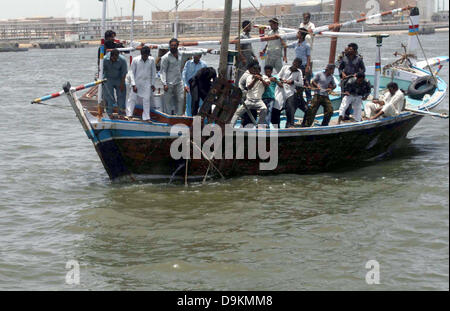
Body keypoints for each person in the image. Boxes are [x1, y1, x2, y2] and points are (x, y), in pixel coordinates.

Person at [160, 38, 210, 115]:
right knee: (168, 101)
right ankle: (168, 117)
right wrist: (164, 83)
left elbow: (192, 52)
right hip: (168, 83)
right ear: (169, 46)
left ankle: (179, 116)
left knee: (181, 99)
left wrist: (205, 51)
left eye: (175, 45)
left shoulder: (181, 54)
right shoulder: (165, 57)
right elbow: (162, 71)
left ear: (177, 46)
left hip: (179, 82)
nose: (173, 47)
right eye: (171, 45)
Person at [230, 63, 269, 128]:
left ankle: (260, 125)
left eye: (256, 71)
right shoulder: (249, 77)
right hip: (249, 100)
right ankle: (231, 126)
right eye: (254, 70)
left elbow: (267, 85)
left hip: (258, 101)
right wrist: (255, 80)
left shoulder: (265, 77)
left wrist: (261, 79)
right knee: (237, 113)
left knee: (264, 109)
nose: (255, 72)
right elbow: (249, 87)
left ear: (259, 71)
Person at [127, 46, 157, 121]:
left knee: (146, 100)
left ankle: (146, 117)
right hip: (137, 82)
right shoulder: (135, 59)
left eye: (147, 55)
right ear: (141, 54)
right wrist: (133, 85)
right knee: (132, 99)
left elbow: (153, 73)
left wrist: (153, 84)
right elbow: (132, 73)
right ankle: (129, 115)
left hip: (147, 83)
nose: (145, 57)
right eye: (144, 55)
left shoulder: (152, 60)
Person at [275, 58, 306, 128]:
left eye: (298, 65)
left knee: (290, 107)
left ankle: (290, 124)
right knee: (276, 108)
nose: (296, 65)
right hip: (280, 90)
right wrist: (281, 80)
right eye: (295, 63)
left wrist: (292, 82)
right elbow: (278, 76)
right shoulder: (285, 67)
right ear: (293, 62)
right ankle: (277, 126)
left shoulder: (299, 72)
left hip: (290, 91)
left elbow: (301, 83)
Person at [338, 43, 366, 120]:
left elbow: (363, 69)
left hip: (354, 81)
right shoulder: (344, 58)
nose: (349, 50)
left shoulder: (359, 59)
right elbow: (340, 68)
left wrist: (357, 74)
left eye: (350, 49)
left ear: (355, 51)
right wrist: (342, 73)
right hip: (345, 80)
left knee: (354, 96)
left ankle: (355, 115)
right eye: (348, 49)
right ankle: (345, 115)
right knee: (345, 97)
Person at [288, 28, 312, 104]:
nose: (297, 34)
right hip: (297, 66)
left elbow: (308, 56)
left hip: (303, 65)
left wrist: (307, 67)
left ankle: (309, 98)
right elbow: (286, 46)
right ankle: (299, 97)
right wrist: (280, 39)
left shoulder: (307, 45)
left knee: (306, 81)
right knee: (298, 82)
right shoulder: (295, 43)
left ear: (301, 36)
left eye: (298, 33)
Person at [103, 49, 128, 116]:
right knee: (109, 96)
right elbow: (101, 70)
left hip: (119, 79)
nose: (114, 59)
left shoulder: (122, 60)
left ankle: (121, 112)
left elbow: (124, 72)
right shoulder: (104, 59)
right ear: (111, 56)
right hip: (108, 78)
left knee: (121, 96)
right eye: (113, 58)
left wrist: (122, 84)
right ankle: (109, 113)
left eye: (116, 58)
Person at [235, 20, 257, 84]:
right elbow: (238, 49)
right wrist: (243, 58)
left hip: (249, 59)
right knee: (241, 75)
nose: (250, 28)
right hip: (242, 61)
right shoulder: (241, 36)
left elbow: (250, 48)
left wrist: (254, 56)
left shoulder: (249, 36)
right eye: (249, 26)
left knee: (249, 75)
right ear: (245, 27)